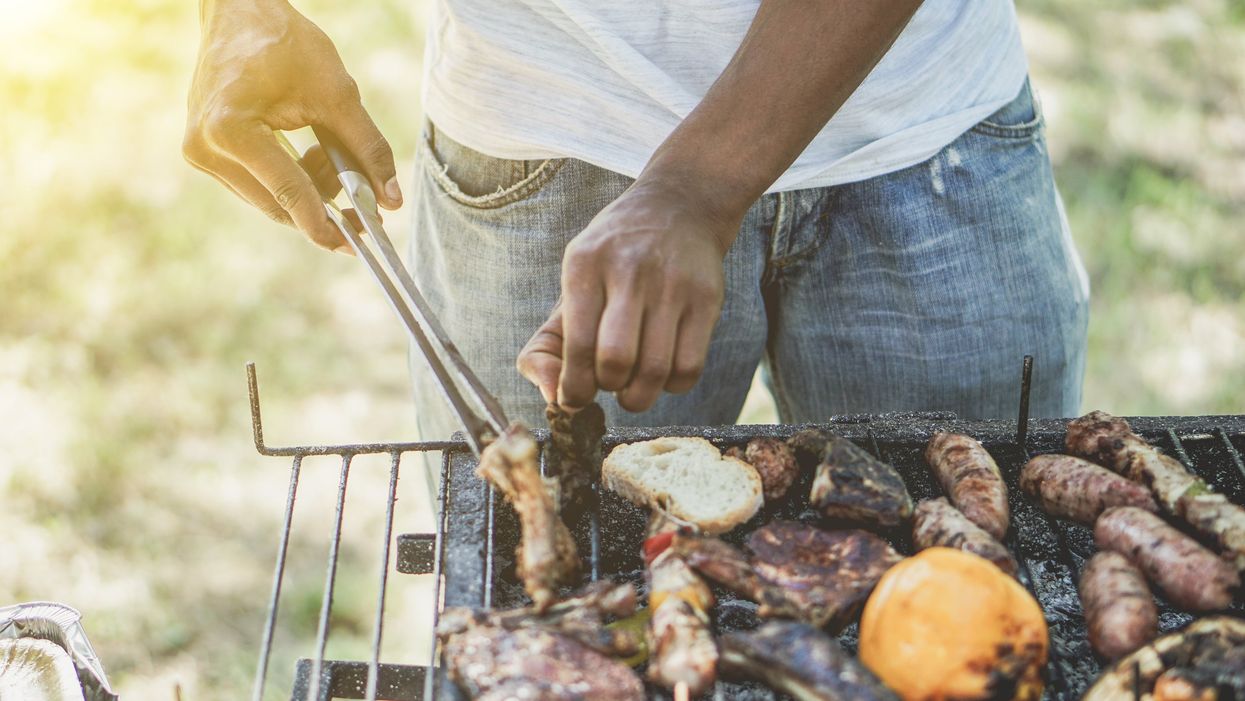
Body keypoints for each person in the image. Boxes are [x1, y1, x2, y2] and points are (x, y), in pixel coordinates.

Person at [184, 0, 1090, 440]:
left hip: (927, 132)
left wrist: (698, 185)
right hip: (544, 138)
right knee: (546, 622)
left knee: (980, 600)